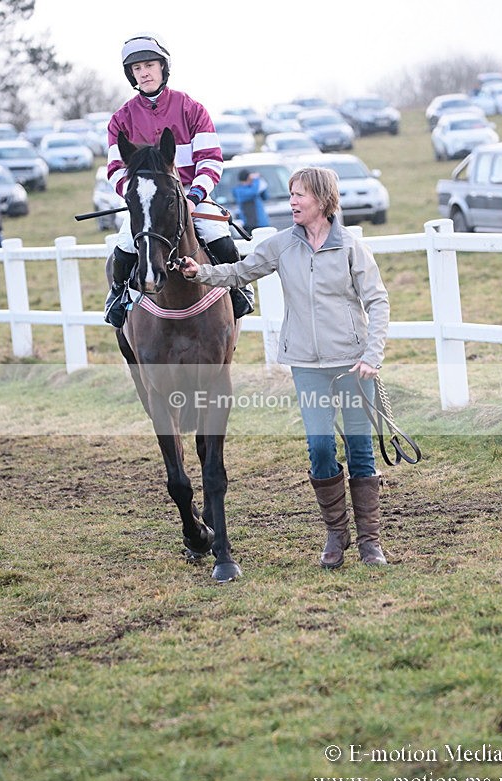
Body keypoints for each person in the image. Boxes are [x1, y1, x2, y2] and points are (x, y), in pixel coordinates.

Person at [180, 167, 390, 569]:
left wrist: (372, 355)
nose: (292, 201)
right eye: (291, 194)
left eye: (300, 195)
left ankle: (370, 541)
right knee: (321, 448)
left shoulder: (350, 248)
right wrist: (200, 272)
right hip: (307, 364)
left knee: (361, 450)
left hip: (353, 364)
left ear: (323, 200)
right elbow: (240, 272)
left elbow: (378, 301)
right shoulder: (281, 245)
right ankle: (336, 533)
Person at [104, 32, 253, 327]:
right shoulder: (121, 119)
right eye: (137, 68)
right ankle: (118, 295)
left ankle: (239, 289)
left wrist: (193, 196)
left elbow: (210, 160)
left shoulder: (191, 109)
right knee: (124, 248)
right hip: (147, 200)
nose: (144, 73)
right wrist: (139, 198)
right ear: (131, 74)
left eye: (149, 65)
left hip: (190, 194)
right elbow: (115, 169)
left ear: (163, 67)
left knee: (219, 238)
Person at [232, 170, 270, 234]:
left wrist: (261, 183)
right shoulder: (239, 190)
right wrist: (256, 179)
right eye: (250, 178)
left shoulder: (254, 188)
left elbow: (265, 197)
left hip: (262, 223)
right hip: (250, 225)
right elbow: (253, 192)